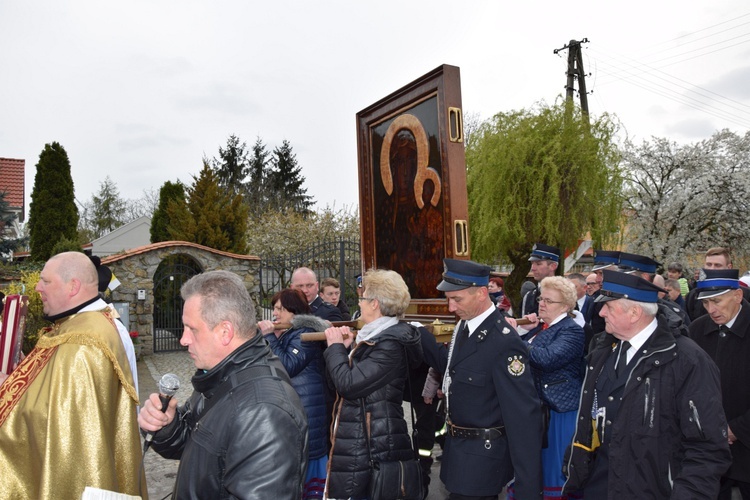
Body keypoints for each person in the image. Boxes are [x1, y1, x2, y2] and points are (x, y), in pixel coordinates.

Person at [138, 270, 308, 498]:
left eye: (192, 329)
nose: (183, 339)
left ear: (225, 332)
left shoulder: (264, 412)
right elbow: (196, 447)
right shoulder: (218, 374)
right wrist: (167, 426)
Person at [563, 270, 731, 498]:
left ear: (634, 313)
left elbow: (706, 449)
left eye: (609, 307)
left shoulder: (687, 361)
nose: (601, 312)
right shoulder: (602, 350)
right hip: (598, 488)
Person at [0, 252, 144, 499]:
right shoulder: (78, 326)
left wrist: (7, 391)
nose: (37, 287)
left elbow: (61, 427)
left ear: (73, 286)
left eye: (46, 281)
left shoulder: (83, 343)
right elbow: (53, 391)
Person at [420, 258, 543, 499]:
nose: (451, 308)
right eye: (448, 299)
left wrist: (528, 487)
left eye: (457, 299)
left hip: (483, 462)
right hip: (459, 457)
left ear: (482, 293)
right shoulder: (465, 329)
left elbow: (523, 416)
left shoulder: (503, 341)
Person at [322, 269, 423, 500]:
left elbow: (349, 385)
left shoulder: (390, 344)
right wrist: (346, 349)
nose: (360, 303)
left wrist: (335, 348)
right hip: (359, 439)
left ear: (375, 303)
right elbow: (337, 384)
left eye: (362, 297)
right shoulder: (373, 337)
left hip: (372, 444)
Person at [509, 276, 584, 500]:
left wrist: (512, 337)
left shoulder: (571, 330)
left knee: (555, 471)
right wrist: (523, 332)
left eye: (549, 301)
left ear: (566, 306)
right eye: (542, 298)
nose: (541, 303)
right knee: (536, 471)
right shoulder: (543, 327)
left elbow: (547, 358)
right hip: (541, 412)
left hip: (560, 413)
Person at [258, 288, 330, 500]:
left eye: (280, 308)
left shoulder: (305, 333)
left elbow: (287, 366)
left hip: (308, 412)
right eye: (274, 308)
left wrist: (270, 336)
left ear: (294, 310)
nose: (275, 313)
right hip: (296, 410)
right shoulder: (289, 332)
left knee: (309, 475)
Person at [689, 269, 750, 499]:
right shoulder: (697, 329)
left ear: (737, 295)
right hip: (708, 450)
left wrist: (736, 430)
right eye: (705, 303)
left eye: (716, 301)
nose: (711, 310)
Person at [685, 247, 750, 321]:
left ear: (729, 267)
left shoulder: (746, 294)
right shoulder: (693, 296)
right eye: (709, 264)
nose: (712, 269)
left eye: (717, 265)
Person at [521, 243, 560, 317]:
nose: (533, 268)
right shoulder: (529, 296)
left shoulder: (565, 293)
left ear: (553, 266)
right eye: (532, 263)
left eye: (538, 264)